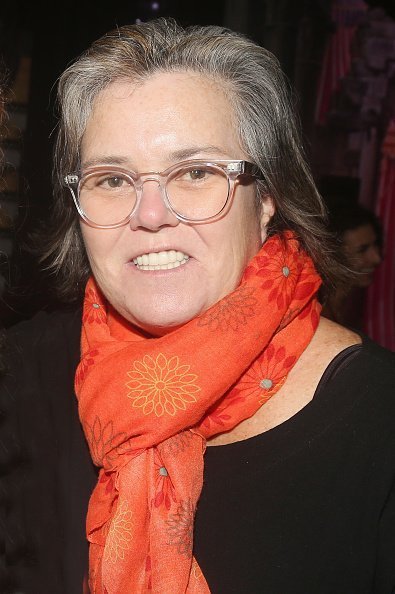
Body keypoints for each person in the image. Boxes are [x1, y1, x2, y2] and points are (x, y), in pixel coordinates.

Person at [2, 17, 395, 594]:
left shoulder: (380, 423)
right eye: (112, 179)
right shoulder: (21, 377)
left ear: (268, 196)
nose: (152, 214)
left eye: (195, 172)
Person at [321, 202, 383, 330]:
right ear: (331, 255)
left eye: (375, 245)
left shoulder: (351, 305)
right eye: (362, 250)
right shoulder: (315, 312)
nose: (377, 258)